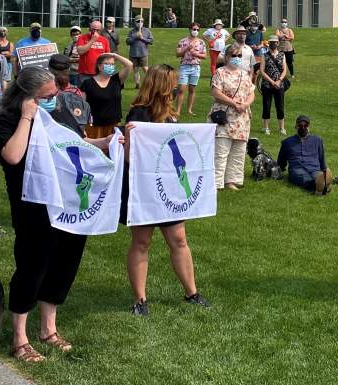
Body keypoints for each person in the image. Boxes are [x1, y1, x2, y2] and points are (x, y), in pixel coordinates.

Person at [0, 66, 116, 362]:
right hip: (33, 208)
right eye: (46, 96)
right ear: (27, 96)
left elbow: (74, 143)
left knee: (64, 263)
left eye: (55, 93)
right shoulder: (9, 120)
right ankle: (19, 337)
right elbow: (12, 155)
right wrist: (26, 117)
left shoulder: (57, 115)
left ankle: (49, 329)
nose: (54, 99)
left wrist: (105, 143)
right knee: (33, 265)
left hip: (68, 205)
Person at [122, 64, 211, 317]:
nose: (175, 87)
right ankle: (140, 299)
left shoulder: (171, 113)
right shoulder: (139, 114)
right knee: (142, 241)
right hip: (144, 187)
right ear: (161, 84)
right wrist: (128, 139)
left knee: (179, 239)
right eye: (171, 82)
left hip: (169, 187)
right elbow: (129, 158)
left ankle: (192, 292)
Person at [210, 43, 255, 191]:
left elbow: (251, 92)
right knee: (221, 151)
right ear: (227, 56)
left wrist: (246, 104)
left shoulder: (245, 74)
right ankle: (216, 183)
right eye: (234, 55)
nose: (237, 58)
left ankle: (232, 181)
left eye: (239, 56)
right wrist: (233, 103)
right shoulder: (220, 73)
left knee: (238, 151)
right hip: (225, 116)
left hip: (242, 118)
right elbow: (216, 93)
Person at [277, 114, 332, 195]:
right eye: (300, 125)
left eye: (305, 125)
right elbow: (281, 162)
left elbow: (321, 158)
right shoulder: (287, 142)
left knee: (317, 176)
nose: (303, 127)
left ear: (309, 127)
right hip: (297, 169)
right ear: (296, 126)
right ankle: (320, 186)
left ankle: (322, 183)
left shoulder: (317, 140)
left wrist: (324, 170)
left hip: (314, 168)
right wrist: (278, 171)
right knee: (303, 177)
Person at [80, 51, 131, 138]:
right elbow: (82, 106)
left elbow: (129, 65)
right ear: (99, 66)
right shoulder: (87, 83)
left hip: (114, 125)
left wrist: (114, 55)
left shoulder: (117, 80)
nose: (110, 66)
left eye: (112, 64)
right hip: (94, 126)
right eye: (107, 63)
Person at [47, 55, 90, 134]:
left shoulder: (43, 92)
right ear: (69, 70)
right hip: (73, 135)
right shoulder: (76, 92)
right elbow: (82, 119)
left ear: (49, 69)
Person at [259, 36, 289, 136]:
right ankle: (266, 127)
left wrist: (279, 80)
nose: (273, 44)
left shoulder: (282, 54)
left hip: (279, 84)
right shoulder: (264, 55)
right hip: (267, 84)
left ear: (278, 43)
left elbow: (285, 70)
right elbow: (262, 71)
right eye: (271, 42)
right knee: (266, 105)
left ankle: (282, 128)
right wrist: (272, 82)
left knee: (280, 106)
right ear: (269, 43)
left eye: (275, 42)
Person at [175, 23, 208, 116]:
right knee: (181, 89)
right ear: (189, 29)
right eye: (194, 29)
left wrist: (196, 54)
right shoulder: (182, 41)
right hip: (184, 67)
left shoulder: (201, 42)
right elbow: (177, 54)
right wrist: (186, 49)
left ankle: (189, 110)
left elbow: (204, 56)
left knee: (192, 89)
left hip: (195, 67)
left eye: (197, 30)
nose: (195, 31)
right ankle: (178, 110)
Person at [75, 20, 111, 90]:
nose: (95, 32)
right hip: (85, 74)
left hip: (99, 73)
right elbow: (80, 51)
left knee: (98, 94)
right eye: (93, 30)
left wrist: (108, 72)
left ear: (101, 30)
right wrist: (92, 40)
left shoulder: (104, 40)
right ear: (90, 29)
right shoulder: (82, 38)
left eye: (97, 30)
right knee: (84, 95)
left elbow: (107, 57)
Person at [126, 16, 154, 88]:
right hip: (133, 53)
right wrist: (135, 37)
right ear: (135, 22)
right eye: (138, 21)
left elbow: (151, 41)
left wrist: (142, 38)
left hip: (143, 53)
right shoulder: (131, 32)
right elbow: (127, 41)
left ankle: (151, 83)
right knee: (135, 69)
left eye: (141, 21)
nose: (140, 23)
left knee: (145, 69)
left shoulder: (146, 31)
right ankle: (137, 84)